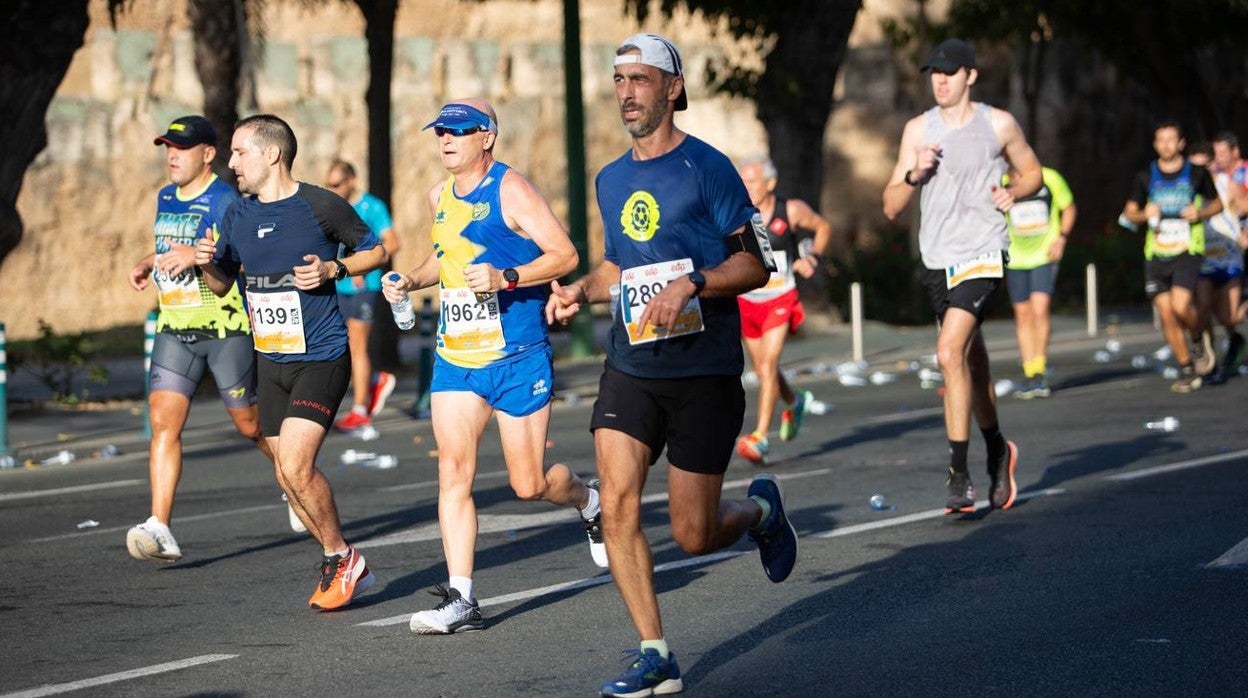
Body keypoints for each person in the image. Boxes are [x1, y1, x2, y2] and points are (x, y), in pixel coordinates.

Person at [545, 33, 798, 697]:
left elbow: (756, 261)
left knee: (693, 533)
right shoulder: (610, 178)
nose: (626, 91)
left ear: (673, 89)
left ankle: (759, 515)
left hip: (703, 370)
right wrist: (579, 291)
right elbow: (617, 265)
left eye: (641, 78)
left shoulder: (709, 169)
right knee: (619, 501)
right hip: (632, 365)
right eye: (619, 79)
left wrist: (695, 282)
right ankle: (654, 651)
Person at [382, 99, 606, 636]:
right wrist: (411, 279)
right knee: (452, 472)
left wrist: (507, 277)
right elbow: (447, 256)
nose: (446, 140)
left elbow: (565, 255)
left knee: (528, 484)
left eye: (458, 131)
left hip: (517, 354)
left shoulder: (512, 189)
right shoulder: (437, 195)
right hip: (457, 356)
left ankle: (589, 499)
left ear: (487, 137)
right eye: (440, 131)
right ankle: (461, 597)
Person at [193, 114, 388, 611]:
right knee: (284, 472)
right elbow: (221, 284)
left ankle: (342, 558)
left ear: (273, 154)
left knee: (298, 468)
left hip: (321, 357)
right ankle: (339, 555)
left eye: (240, 153)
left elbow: (377, 250)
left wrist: (333, 267)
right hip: (270, 361)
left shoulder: (320, 205)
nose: (231, 163)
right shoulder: (238, 214)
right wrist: (206, 262)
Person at [882, 38, 1041, 514]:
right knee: (972, 363)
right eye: (934, 72)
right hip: (938, 259)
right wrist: (914, 175)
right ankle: (998, 448)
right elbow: (890, 206)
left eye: (950, 72)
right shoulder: (917, 130)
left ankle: (958, 472)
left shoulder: (998, 123)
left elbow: (1032, 172)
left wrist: (1013, 190)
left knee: (948, 351)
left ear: (970, 75)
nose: (940, 80)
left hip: (983, 252)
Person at [124, 115, 280, 562]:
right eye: (167, 147)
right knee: (163, 425)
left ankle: (295, 478)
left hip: (226, 327)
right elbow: (171, 245)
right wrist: (146, 260)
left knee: (249, 426)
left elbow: (245, 257)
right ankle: (160, 525)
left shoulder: (226, 199)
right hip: (175, 327)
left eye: (182, 148)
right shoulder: (166, 196)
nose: (172, 155)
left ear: (208, 154)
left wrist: (197, 255)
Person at [733, 155, 832, 463]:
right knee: (764, 368)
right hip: (748, 300)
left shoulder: (790, 209)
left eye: (751, 181)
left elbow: (822, 227)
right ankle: (794, 401)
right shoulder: (737, 213)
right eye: (743, 181)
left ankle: (760, 436)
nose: (746, 187)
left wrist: (811, 257)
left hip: (781, 297)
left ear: (770, 183)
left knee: (768, 363)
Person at [1120, 120, 1222, 392]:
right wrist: (1145, 214)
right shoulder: (1146, 176)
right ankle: (1187, 366)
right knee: (1166, 313)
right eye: (1160, 140)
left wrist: (1199, 213)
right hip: (1156, 251)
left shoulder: (1197, 173)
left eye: (1171, 140)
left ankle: (1198, 339)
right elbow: (1129, 213)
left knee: (1180, 305)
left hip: (1187, 249)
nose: (1166, 145)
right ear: (1155, 145)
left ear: (1181, 143)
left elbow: (1218, 204)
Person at [325, 159, 400, 432]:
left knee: (357, 346)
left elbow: (392, 242)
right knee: (341, 347)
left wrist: (362, 263)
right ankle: (375, 380)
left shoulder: (372, 206)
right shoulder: (332, 207)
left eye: (337, 184)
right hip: (338, 285)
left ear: (351, 181)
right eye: (328, 185)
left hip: (364, 287)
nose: (332, 190)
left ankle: (359, 411)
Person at [1004, 165, 1077, 399]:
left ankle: (1039, 371)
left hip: (1044, 255)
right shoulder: (1000, 181)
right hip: (1016, 257)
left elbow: (1069, 208)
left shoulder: (1049, 177)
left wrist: (1062, 239)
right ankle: (1029, 372)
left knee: (1040, 309)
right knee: (1023, 314)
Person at [1196, 133, 1247, 383]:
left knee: (1230, 317)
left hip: (1228, 258)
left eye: (1202, 166)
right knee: (1203, 310)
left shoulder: (1228, 184)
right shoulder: (1187, 190)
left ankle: (1235, 339)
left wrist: (1246, 233)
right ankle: (1209, 357)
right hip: (1204, 261)